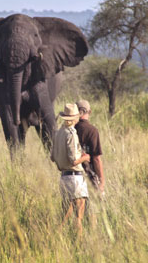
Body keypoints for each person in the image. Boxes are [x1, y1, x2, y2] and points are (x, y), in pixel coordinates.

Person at [51, 103, 90, 235]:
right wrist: (85, 158)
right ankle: (78, 245)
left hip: (64, 177)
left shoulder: (58, 133)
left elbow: (52, 157)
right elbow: (73, 160)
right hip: (75, 178)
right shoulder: (72, 134)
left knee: (65, 215)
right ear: (74, 119)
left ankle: (55, 238)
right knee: (78, 217)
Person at [75, 100, 105, 193]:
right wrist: (101, 181)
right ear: (90, 112)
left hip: (70, 174)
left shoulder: (71, 129)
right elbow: (96, 159)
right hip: (89, 175)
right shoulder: (92, 131)